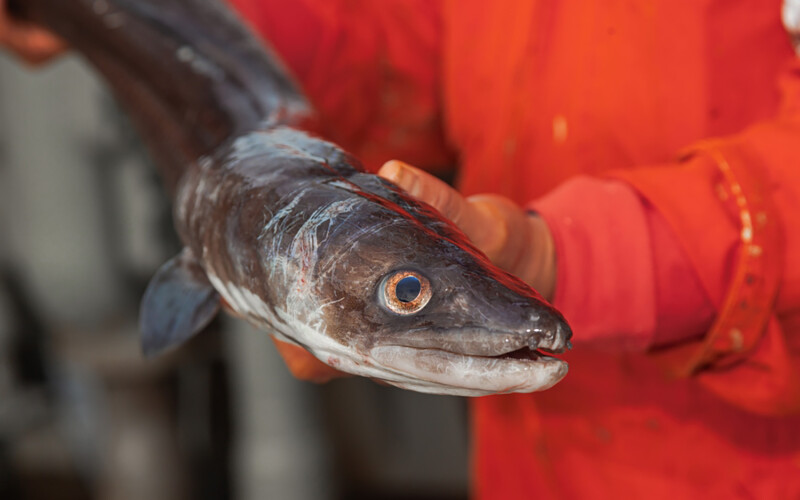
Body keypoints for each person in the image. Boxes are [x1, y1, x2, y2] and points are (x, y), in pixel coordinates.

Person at [5, 0, 800, 498]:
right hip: (530, 457)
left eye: (406, 293)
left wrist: (577, 257)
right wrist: (194, 21)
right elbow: (401, 52)